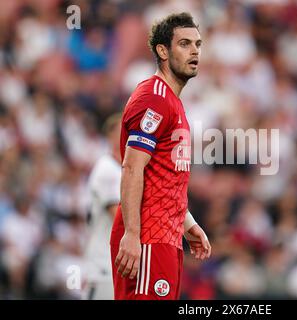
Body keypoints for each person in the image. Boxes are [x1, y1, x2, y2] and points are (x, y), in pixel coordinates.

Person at [110, 12, 211, 300]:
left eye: (198, 44)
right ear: (162, 51)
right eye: (184, 44)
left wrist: (187, 223)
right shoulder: (154, 98)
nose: (194, 51)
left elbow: (164, 179)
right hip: (147, 237)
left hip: (166, 236)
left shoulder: (173, 102)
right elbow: (132, 167)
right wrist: (132, 233)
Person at [83, 113, 122, 300]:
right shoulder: (107, 169)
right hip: (103, 262)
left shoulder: (125, 170)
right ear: (110, 136)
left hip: (117, 262)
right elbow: (119, 217)